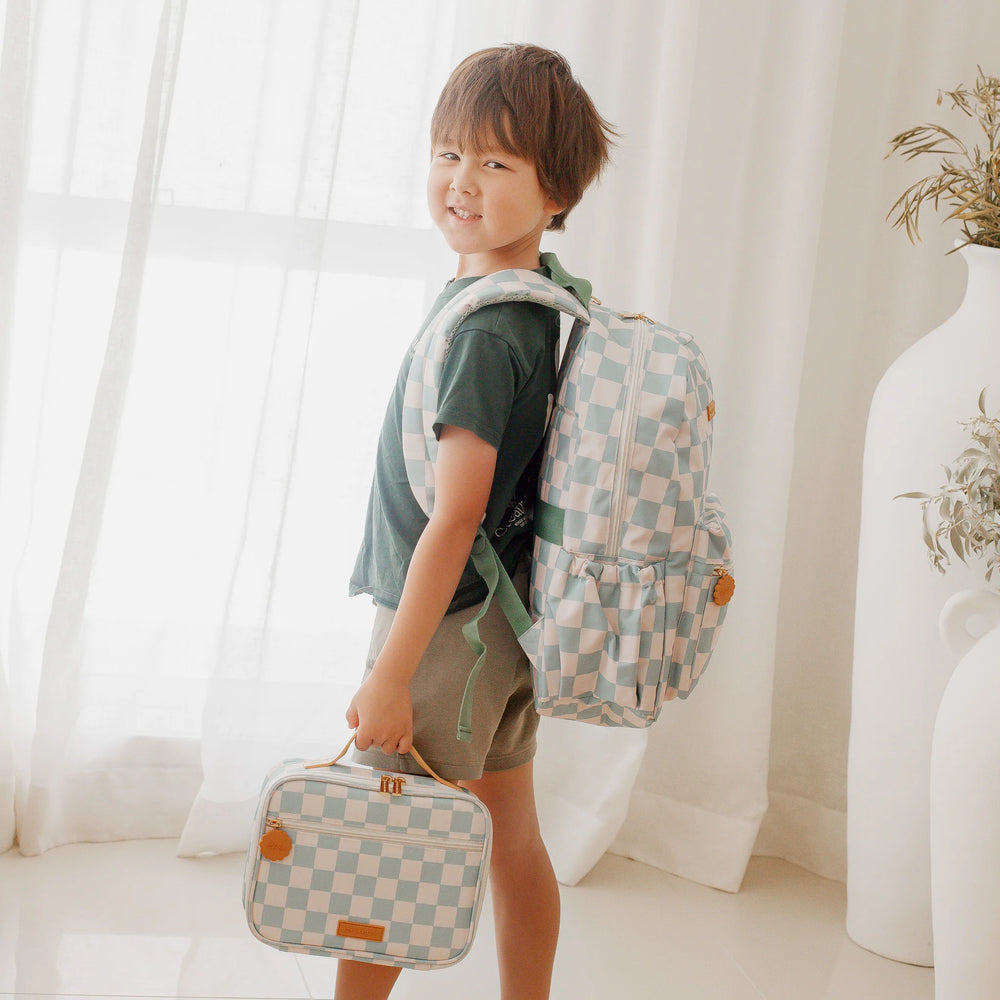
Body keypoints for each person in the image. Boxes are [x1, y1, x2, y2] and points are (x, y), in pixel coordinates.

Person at [341, 43, 616, 1000]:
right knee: (512, 837)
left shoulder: (487, 332)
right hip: (501, 626)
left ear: (555, 194)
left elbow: (455, 516)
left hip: (446, 629)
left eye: (495, 162)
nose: (462, 180)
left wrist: (391, 672)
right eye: (449, 152)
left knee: (386, 852)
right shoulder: (534, 307)